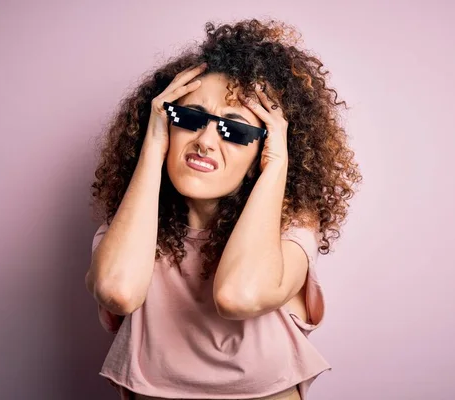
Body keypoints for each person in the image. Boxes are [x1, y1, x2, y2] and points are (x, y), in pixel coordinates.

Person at [85, 18, 362, 400]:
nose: (205, 141)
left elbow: (240, 296)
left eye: (236, 130)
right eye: (190, 118)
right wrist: (152, 148)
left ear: (263, 148)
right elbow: (117, 291)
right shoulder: (130, 228)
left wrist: (277, 163)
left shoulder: (291, 233)